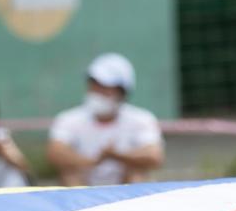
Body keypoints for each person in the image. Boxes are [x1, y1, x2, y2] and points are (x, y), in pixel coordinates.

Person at [47, 53, 164, 186]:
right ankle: (85, 205)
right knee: (70, 174)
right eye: (95, 85)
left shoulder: (142, 119)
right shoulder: (68, 119)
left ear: (122, 92)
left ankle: (128, 206)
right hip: (84, 187)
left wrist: (117, 156)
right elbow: (55, 153)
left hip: (124, 187)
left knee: (136, 173)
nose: (97, 91)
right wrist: (93, 162)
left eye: (105, 87)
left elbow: (154, 156)